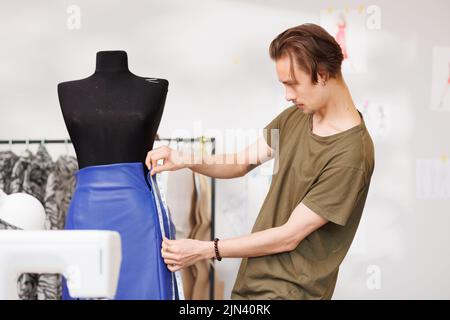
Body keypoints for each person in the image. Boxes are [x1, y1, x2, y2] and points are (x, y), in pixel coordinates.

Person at [146, 23, 375, 299]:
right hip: (254, 285)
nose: (288, 96)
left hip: (290, 293)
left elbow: (289, 235)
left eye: (293, 84)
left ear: (323, 75)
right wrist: (183, 158)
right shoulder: (297, 117)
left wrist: (204, 249)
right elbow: (242, 162)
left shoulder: (352, 155)